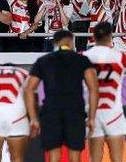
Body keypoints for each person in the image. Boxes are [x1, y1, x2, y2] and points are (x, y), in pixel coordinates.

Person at [24, 30, 99, 162]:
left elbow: (29, 89)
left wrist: (33, 118)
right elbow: (93, 88)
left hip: (51, 112)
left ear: (54, 43)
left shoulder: (43, 61)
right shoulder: (82, 60)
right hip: (75, 112)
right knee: (75, 157)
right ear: (71, 42)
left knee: (53, 157)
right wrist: (92, 118)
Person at [83, 22, 126, 162]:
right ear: (110, 36)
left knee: (94, 159)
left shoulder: (84, 56)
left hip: (93, 112)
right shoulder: (122, 57)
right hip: (113, 112)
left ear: (93, 37)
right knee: (117, 159)